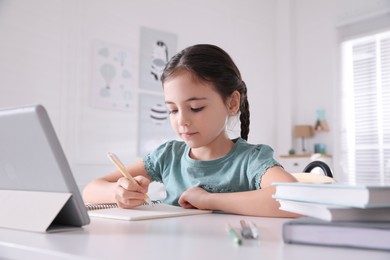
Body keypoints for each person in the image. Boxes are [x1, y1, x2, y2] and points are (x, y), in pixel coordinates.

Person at [83, 44, 298, 217]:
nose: (182, 121)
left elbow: (295, 198)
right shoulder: (168, 156)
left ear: (232, 103)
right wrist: (119, 192)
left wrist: (208, 200)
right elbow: (90, 190)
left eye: (196, 108)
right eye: (173, 110)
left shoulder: (250, 160)